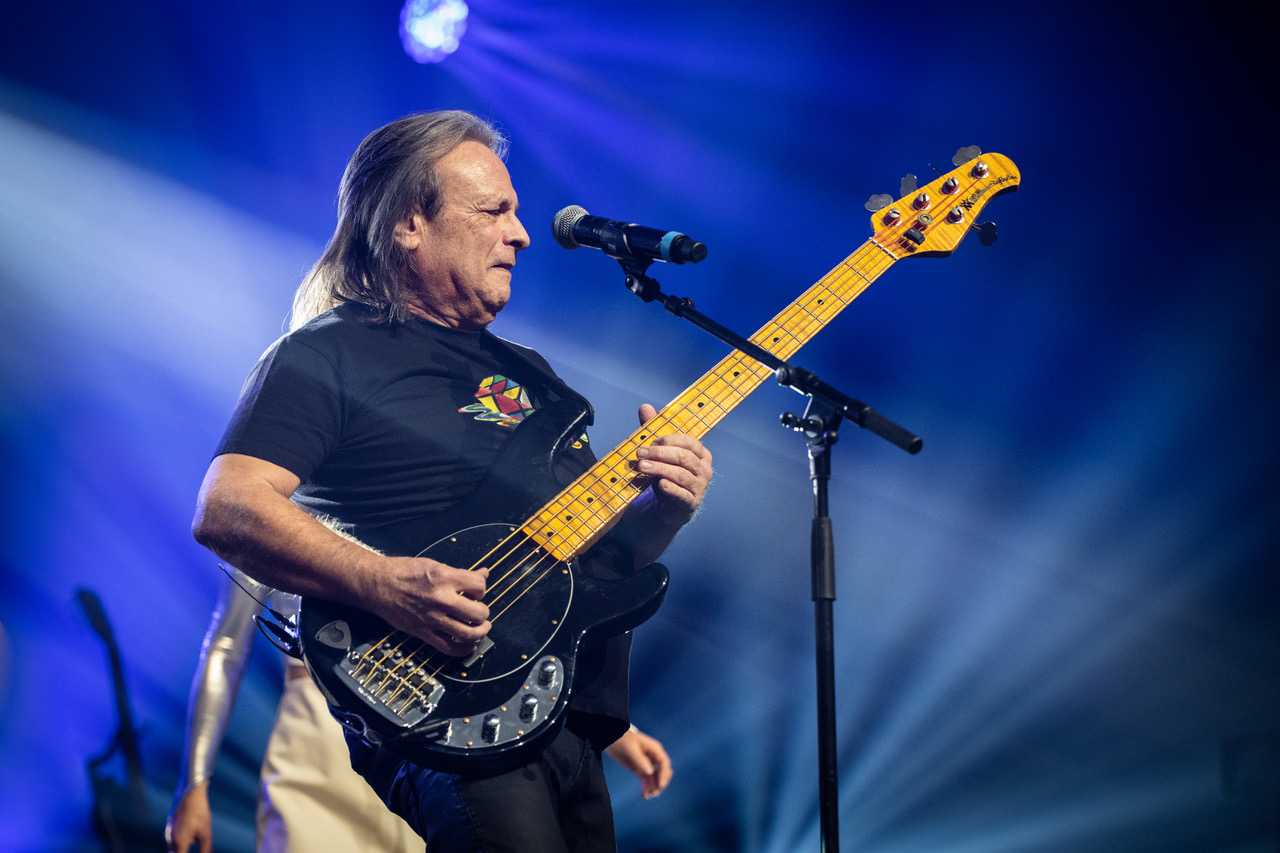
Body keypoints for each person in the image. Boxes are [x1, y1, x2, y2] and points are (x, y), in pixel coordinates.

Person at [189, 110, 711, 852]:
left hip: (564, 715)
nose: (523, 233)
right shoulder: (326, 353)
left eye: (518, 213)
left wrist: (666, 509)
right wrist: (383, 582)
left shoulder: (539, 380)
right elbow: (226, 505)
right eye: (494, 210)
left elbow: (605, 562)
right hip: (446, 706)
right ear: (409, 224)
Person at [164, 574, 674, 853]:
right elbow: (227, 646)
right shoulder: (272, 507)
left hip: (428, 736)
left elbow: (506, 646)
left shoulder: (415, 499)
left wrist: (615, 731)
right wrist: (195, 783)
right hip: (319, 738)